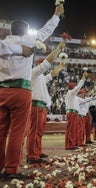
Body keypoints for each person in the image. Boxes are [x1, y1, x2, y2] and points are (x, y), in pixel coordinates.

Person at [0, 5, 64, 179]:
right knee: (17, 132)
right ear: (25, 31)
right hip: (20, 90)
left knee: (1, 131)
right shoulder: (27, 40)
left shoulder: (4, 44)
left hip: (2, 90)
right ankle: (11, 168)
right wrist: (57, 15)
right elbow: (46, 30)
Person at [26, 41, 65, 164]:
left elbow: (52, 74)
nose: (45, 66)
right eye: (43, 64)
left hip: (41, 106)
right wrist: (58, 48)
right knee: (35, 131)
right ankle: (32, 155)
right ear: (39, 64)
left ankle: (37, 151)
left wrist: (61, 65)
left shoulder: (41, 76)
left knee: (39, 131)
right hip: (36, 105)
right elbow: (48, 63)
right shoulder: (34, 73)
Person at [65, 72, 88, 150]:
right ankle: (69, 145)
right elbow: (78, 88)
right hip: (71, 112)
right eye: (74, 87)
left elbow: (84, 101)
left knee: (73, 129)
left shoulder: (74, 96)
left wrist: (93, 97)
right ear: (72, 88)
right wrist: (82, 79)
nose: (76, 89)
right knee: (71, 129)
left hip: (74, 113)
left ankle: (72, 143)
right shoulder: (71, 93)